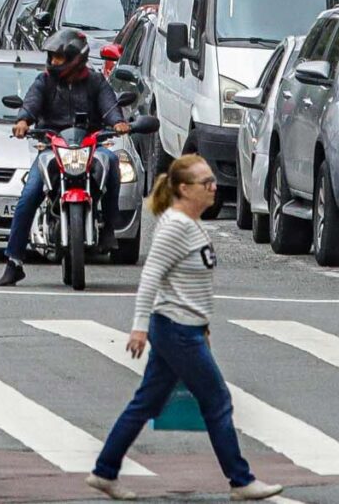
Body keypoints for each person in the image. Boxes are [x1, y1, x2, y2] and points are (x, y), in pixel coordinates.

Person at [84, 154, 282, 501]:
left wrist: (202, 324)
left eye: (213, 181)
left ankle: (104, 471)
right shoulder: (176, 226)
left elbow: (190, 284)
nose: (213, 188)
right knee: (217, 401)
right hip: (176, 329)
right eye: (206, 183)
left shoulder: (191, 224)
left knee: (146, 403)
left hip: (185, 328)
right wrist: (139, 328)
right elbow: (151, 278)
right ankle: (241, 481)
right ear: (183, 189)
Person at [1, 31, 134, 287]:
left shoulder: (96, 82)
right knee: (29, 194)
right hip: (53, 147)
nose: (54, 62)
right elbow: (31, 103)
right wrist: (22, 120)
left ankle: (108, 230)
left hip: (91, 146)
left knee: (114, 162)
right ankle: (14, 261)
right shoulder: (44, 81)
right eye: (53, 57)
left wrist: (118, 123)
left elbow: (109, 106)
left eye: (59, 57)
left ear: (75, 58)